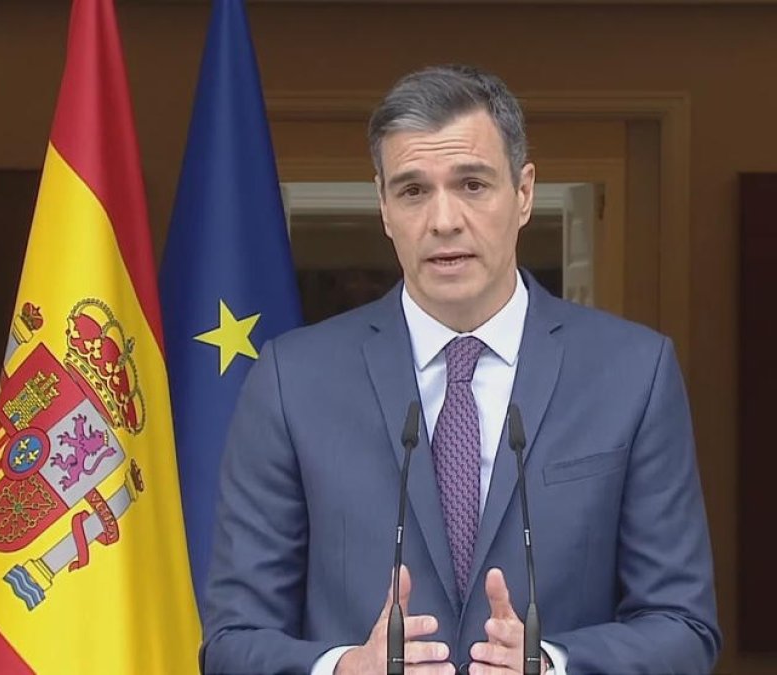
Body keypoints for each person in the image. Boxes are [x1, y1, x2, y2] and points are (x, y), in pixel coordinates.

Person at [200, 64, 721, 675]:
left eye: (472, 185)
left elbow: (685, 628)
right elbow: (233, 640)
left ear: (524, 193)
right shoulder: (293, 380)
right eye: (414, 190)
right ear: (384, 207)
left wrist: (553, 663)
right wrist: (342, 668)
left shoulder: (634, 372)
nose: (443, 220)